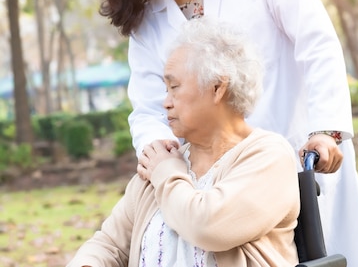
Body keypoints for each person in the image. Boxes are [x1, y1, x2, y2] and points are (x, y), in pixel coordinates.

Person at [89, 0, 358, 266]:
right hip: (220, 184)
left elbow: (317, 44)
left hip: (299, 156)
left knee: (330, 250)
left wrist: (326, 130)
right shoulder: (146, 24)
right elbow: (147, 111)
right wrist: (159, 154)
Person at [67, 18, 300, 267]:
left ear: (217, 87)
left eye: (174, 87)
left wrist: (166, 173)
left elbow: (207, 226)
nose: (165, 102)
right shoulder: (163, 160)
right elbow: (109, 243)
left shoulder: (269, 156)